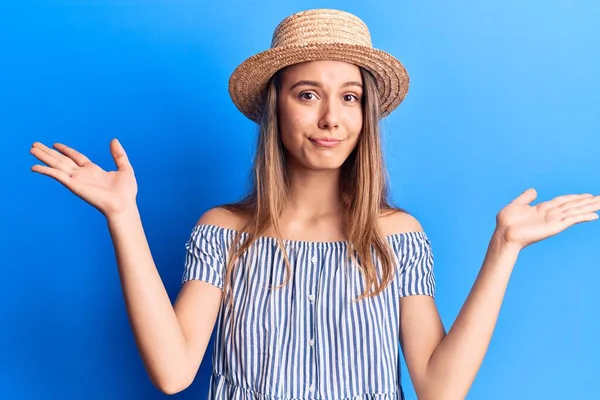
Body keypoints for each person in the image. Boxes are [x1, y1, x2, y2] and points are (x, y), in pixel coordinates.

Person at [29, 8, 599, 400]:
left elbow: (438, 386)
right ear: (275, 107)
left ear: (365, 116)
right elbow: (174, 372)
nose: (331, 118)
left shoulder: (396, 235)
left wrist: (503, 248)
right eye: (308, 95)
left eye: (349, 98)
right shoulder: (224, 232)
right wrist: (124, 218)